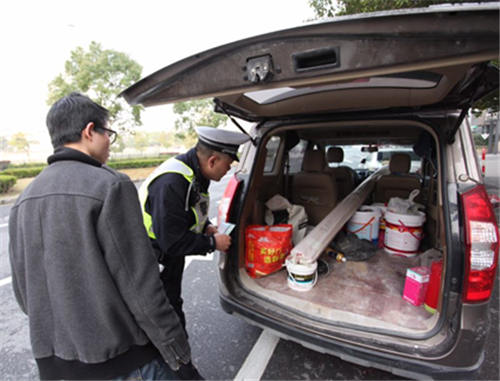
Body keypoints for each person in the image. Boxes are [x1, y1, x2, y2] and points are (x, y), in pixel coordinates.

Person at [8, 92, 190, 380]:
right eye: (109, 133)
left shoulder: (25, 199)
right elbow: (141, 286)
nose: (110, 143)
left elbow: (24, 294)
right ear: (89, 131)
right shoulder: (110, 186)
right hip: (123, 361)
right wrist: (176, 348)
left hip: (57, 366)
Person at [138, 126, 249, 369]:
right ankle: (179, 368)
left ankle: (176, 361)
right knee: (167, 316)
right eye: (228, 165)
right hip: (154, 260)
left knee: (172, 307)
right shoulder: (172, 182)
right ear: (212, 160)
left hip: (168, 256)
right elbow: (172, 240)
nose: (229, 170)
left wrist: (206, 227)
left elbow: (189, 212)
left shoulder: (195, 173)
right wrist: (212, 243)